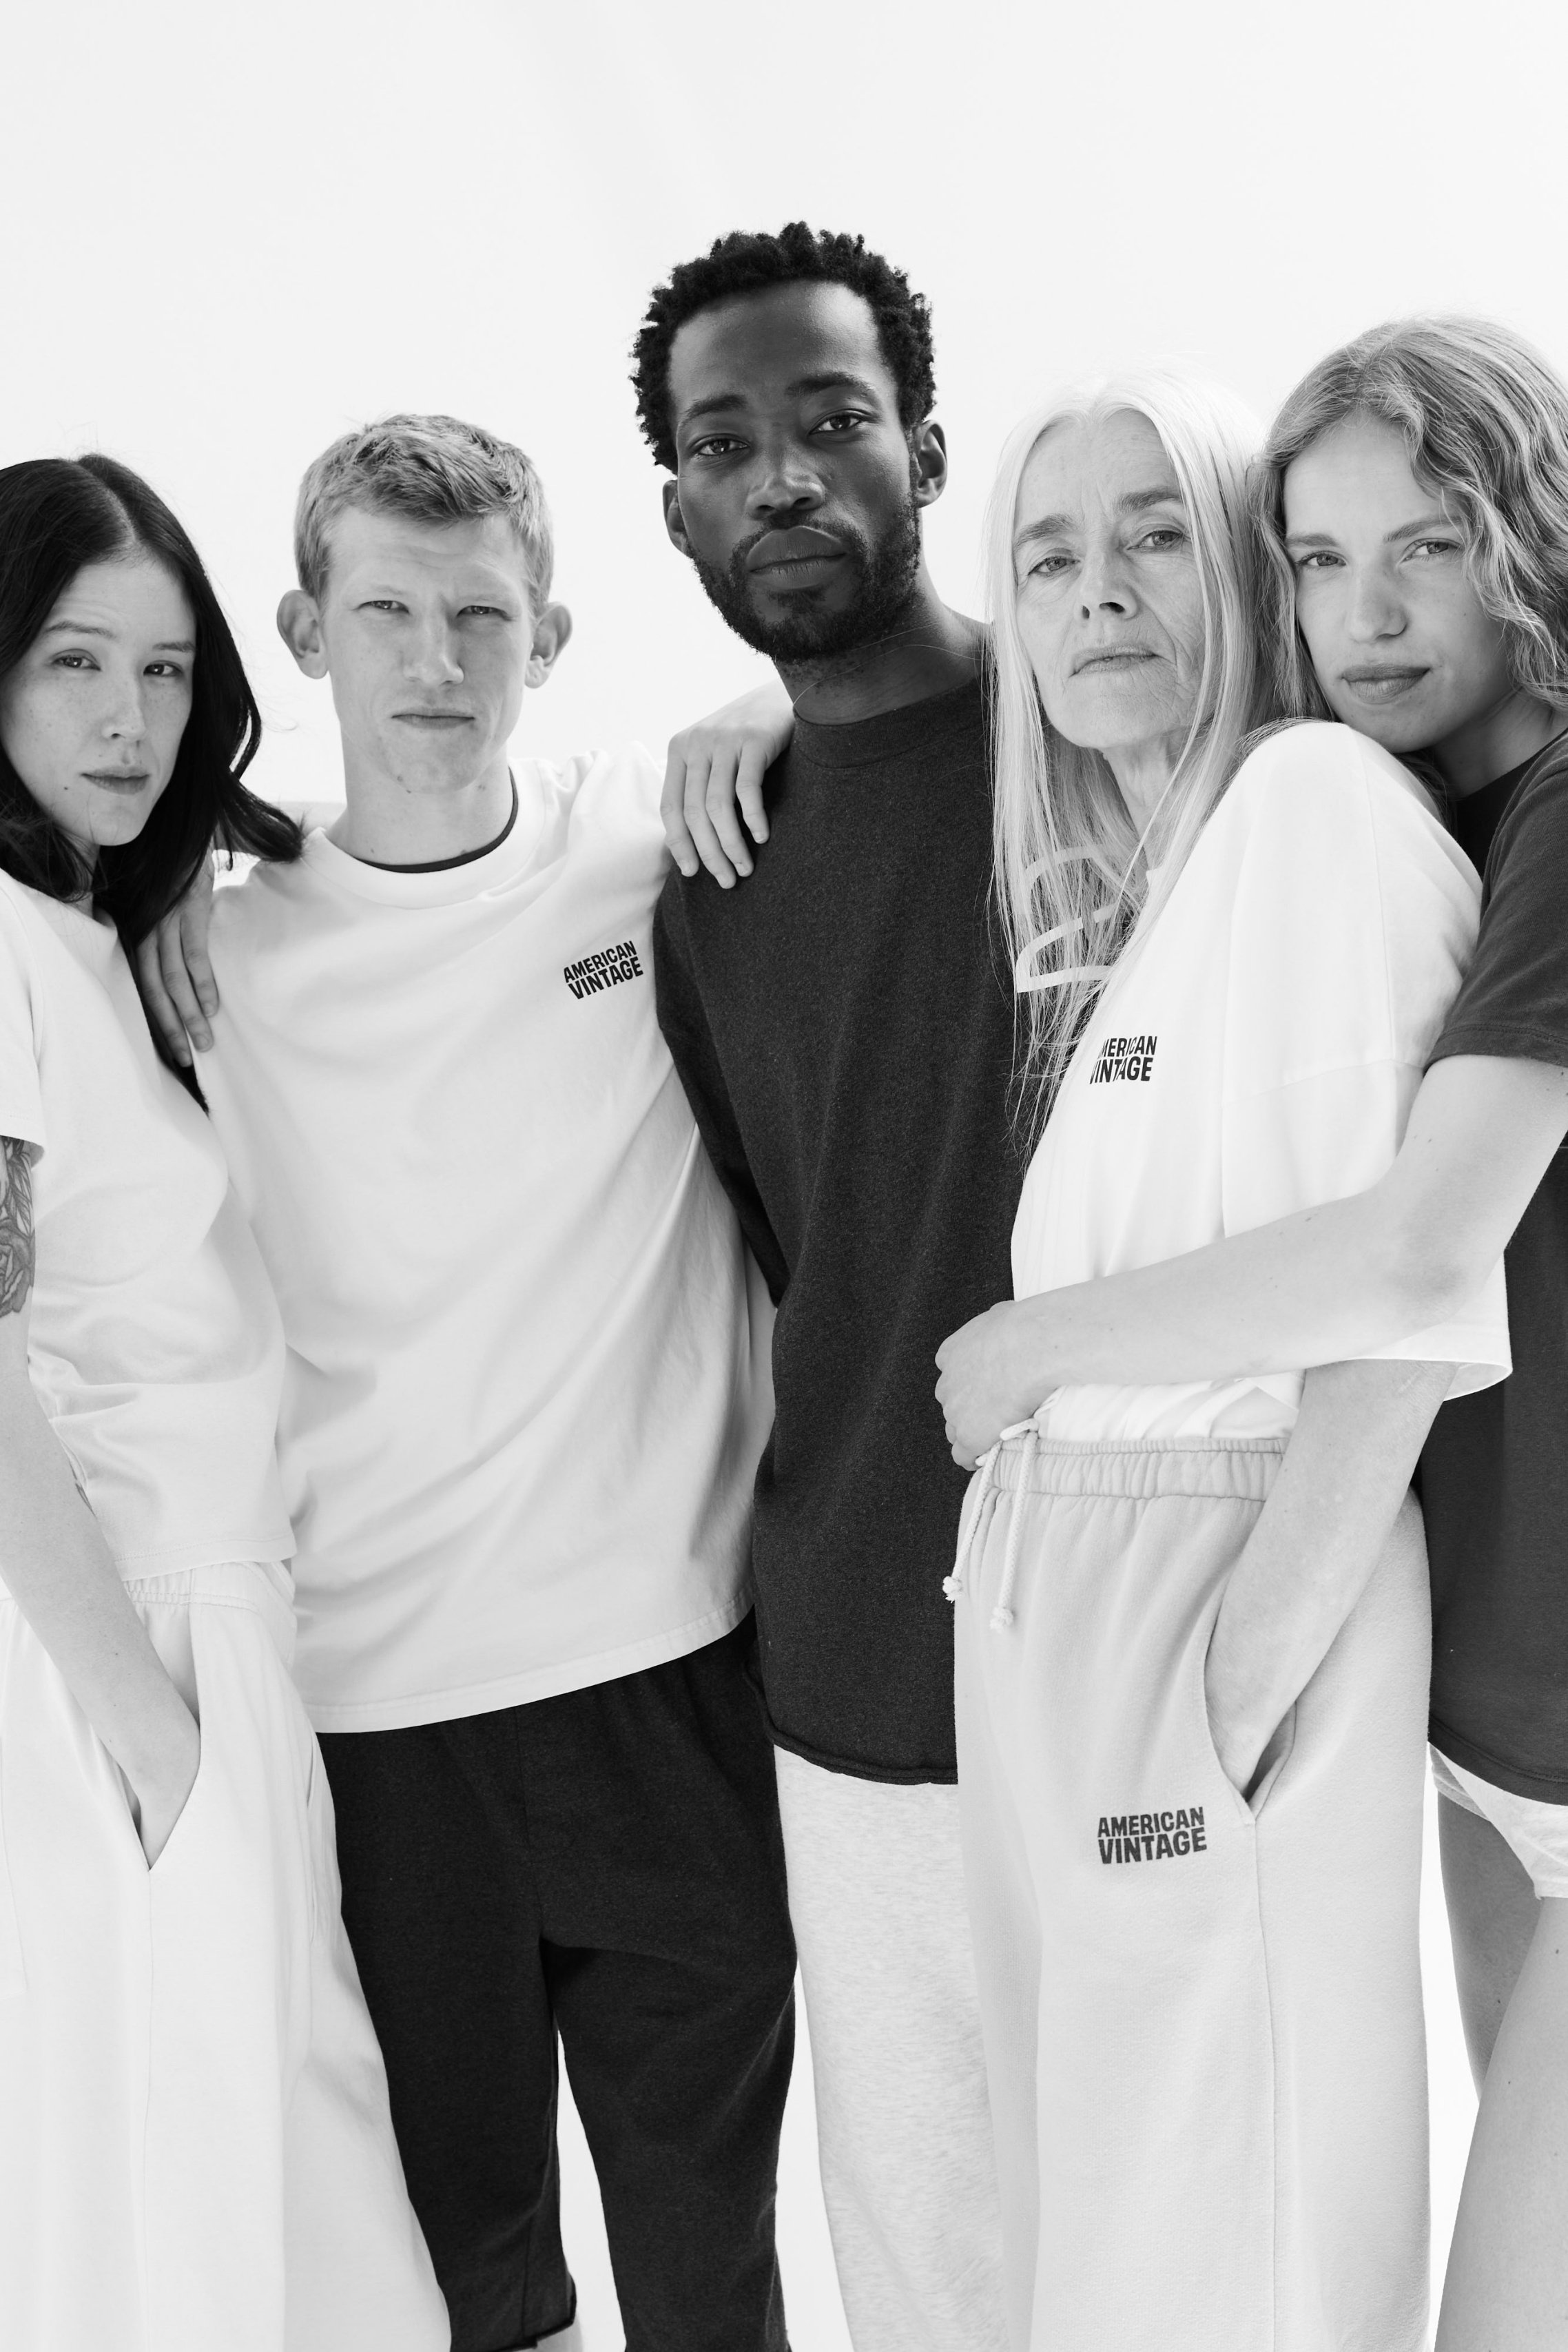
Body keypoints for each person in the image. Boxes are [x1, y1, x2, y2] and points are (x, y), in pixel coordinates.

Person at [933, 318, 1568, 2352]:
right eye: (1319, 559)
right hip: (1458, 1686)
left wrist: (1231, 1673)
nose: (1365, 613)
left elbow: (1413, 1268)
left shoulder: (1362, 808)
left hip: (1326, 1624)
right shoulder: (1334, 836)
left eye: (1428, 547)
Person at [132, 414, 795, 2352]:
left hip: (666, 1678)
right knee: (463, 2293)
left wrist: (764, 704)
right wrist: (156, 870)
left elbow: (900, 713)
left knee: (710, 2280)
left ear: (552, 636)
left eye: (483, 618)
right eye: (389, 614)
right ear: (304, 633)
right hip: (380, 1718)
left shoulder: (648, 853)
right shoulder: (209, 957)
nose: (437, 662)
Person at [0, 454, 447, 2352]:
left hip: (214, 1631)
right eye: (75, 661)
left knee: (272, 2232)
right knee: (191, 2250)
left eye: (167, 671)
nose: (129, 716)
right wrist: (147, 1732)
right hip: (123, 1644)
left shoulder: (89, 933)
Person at [638, 222, 1014, 2351]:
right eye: (724, 445)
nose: (779, 476)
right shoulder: (707, 878)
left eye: (831, 421)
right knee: (928, 2276)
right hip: (856, 1670)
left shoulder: (1118, 730)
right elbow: (807, 1260)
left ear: (925, 454)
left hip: (1158, 1635)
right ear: (675, 512)